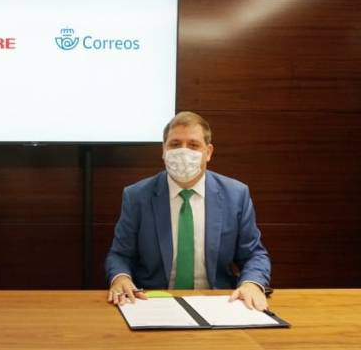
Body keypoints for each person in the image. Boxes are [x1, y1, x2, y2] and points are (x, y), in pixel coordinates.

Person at [105, 111, 271, 311]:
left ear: (208, 152)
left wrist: (251, 284)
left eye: (193, 145)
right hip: (153, 303)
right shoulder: (137, 196)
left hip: (219, 303)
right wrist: (121, 278)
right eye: (175, 144)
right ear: (164, 150)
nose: (183, 152)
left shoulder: (235, 195)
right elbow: (120, 254)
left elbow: (254, 254)